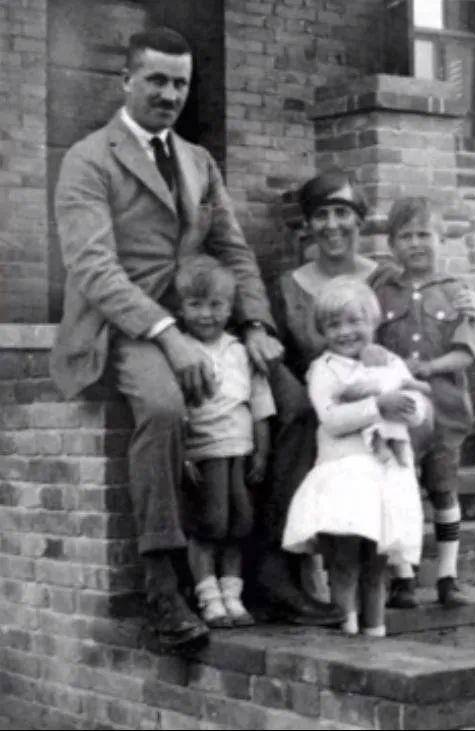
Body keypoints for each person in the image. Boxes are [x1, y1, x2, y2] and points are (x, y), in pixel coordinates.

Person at [50, 27, 283, 654]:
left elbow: (233, 250)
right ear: (126, 80)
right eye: (156, 80)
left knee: (292, 398)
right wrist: (167, 333)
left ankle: (268, 570)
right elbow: (93, 267)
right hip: (122, 322)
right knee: (163, 406)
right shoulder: (88, 159)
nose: (169, 94)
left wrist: (255, 325)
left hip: (202, 320)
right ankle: (162, 587)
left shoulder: (198, 161)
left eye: (180, 83)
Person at [255, 168, 433, 624]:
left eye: (342, 213)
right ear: (307, 225)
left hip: (383, 398)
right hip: (319, 398)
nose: (332, 224)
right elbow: (282, 354)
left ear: (359, 219)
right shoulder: (288, 285)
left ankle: (397, 560)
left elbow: (412, 337)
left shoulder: (386, 278)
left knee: (419, 419)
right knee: (300, 423)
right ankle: (300, 576)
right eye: (321, 215)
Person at [282, 278, 428, 636]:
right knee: (344, 562)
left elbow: (416, 408)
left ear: (373, 322)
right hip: (344, 477)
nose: (345, 332)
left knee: (376, 567)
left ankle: (375, 633)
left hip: (385, 477)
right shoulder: (324, 369)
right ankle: (345, 632)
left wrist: (402, 400)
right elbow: (332, 419)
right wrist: (378, 405)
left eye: (354, 321)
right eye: (334, 325)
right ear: (322, 331)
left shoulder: (389, 361)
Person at [371, 196, 475, 609]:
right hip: (400, 412)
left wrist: (428, 367)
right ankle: (403, 576)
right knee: (400, 490)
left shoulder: (458, 293)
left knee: (443, 489)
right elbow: (370, 346)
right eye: (406, 236)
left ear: (442, 239)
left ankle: (448, 577)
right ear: (391, 245)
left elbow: (466, 353)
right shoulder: (382, 293)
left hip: (446, 410)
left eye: (425, 234)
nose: (416, 243)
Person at [176, 256, 275, 629]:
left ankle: (232, 595)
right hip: (205, 449)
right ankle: (208, 596)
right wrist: (184, 455)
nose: (206, 314)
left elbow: (259, 404)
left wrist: (261, 451)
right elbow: (176, 410)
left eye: (216, 305)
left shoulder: (239, 350)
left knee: (240, 523)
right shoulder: (182, 353)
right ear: (181, 308)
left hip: (241, 449)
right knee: (210, 523)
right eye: (195, 305)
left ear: (231, 307)